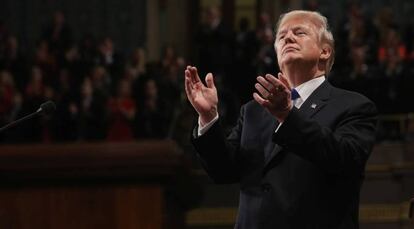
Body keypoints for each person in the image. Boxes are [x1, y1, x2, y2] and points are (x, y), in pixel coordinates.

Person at [184, 10, 378, 228]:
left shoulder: (353, 106)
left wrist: (288, 116)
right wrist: (208, 118)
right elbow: (223, 172)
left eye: (299, 32)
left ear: (325, 51)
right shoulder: (253, 111)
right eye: (282, 36)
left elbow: (345, 160)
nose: (288, 37)